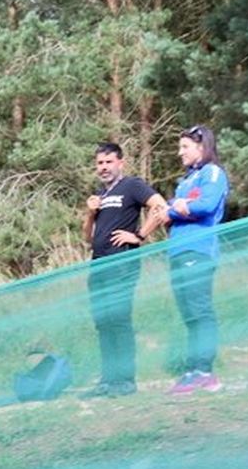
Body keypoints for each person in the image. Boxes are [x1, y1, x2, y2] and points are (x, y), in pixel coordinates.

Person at [81, 143, 169, 398]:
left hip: (122, 263)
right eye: (99, 163)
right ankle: (108, 380)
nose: (104, 167)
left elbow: (160, 206)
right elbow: (88, 238)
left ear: (121, 163)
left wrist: (139, 235)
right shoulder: (100, 195)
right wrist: (89, 213)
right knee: (103, 322)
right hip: (98, 263)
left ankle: (126, 381)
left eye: (109, 162)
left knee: (119, 320)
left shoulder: (132, 185)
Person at [166, 125, 229, 394]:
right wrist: (175, 209)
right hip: (177, 252)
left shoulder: (212, 173)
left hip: (199, 251)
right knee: (188, 313)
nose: (180, 153)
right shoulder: (185, 181)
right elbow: (172, 211)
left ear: (202, 148)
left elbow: (206, 205)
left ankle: (205, 371)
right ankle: (192, 371)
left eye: (185, 147)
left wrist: (181, 208)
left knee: (200, 310)